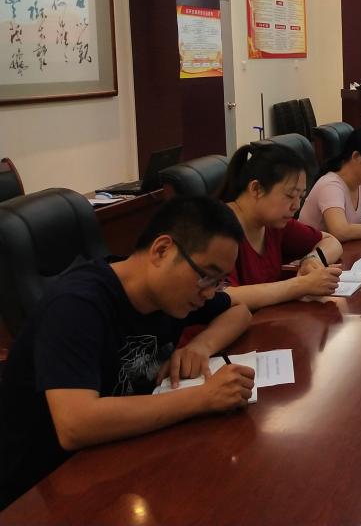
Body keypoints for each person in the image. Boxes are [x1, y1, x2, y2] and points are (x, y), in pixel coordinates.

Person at [0, 197, 255, 508]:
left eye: (218, 281)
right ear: (162, 250)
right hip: (44, 490)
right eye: (206, 276)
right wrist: (203, 398)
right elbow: (75, 424)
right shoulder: (76, 305)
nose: (210, 292)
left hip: (123, 456)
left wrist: (201, 346)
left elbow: (239, 311)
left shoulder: (169, 295)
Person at [222, 143, 344, 310]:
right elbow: (224, 297)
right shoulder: (219, 227)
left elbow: (331, 241)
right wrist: (301, 285)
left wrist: (312, 260)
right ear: (256, 189)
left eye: (301, 197)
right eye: (290, 195)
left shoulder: (273, 222)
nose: (296, 206)